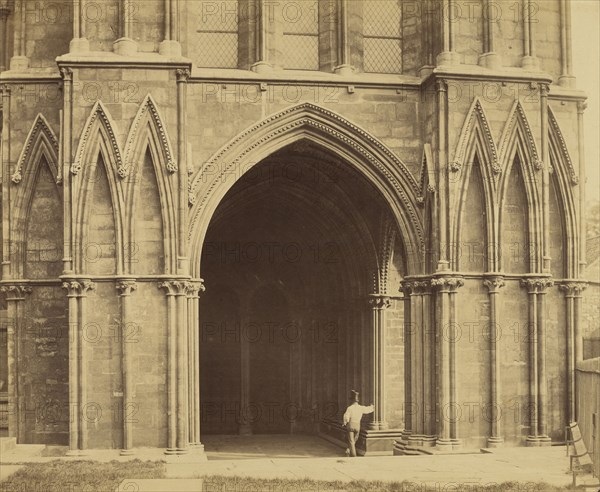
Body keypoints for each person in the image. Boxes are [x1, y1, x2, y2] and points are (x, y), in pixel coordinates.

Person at [342, 390, 374, 457]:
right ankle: (348, 450)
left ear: (351, 401)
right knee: (354, 440)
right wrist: (372, 406)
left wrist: (345, 423)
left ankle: (353, 455)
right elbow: (368, 410)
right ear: (357, 401)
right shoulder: (361, 408)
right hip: (357, 426)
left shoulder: (350, 408)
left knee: (351, 441)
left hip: (350, 425)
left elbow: (346, 417)